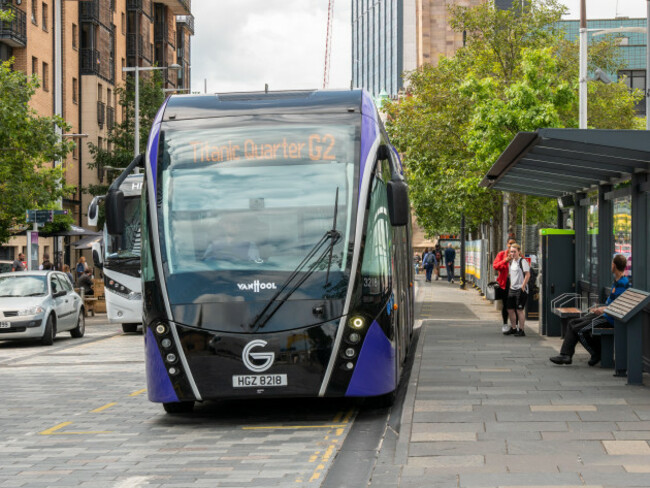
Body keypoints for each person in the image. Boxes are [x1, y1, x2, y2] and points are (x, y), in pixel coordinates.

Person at [550, 254, 630, 366]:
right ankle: (565, 355)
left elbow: (618, 307)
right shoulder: (617, 281)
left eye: (612, 263)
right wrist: (600, 308)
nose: (610, 265)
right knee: (572, 323)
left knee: (579, 329)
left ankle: (597, 353)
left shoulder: (622, 284)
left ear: (614, 265)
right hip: (605, 314)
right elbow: (612, 302)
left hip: (610, 318)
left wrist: (603, 309)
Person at [504, 243, 529, 337]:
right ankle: (514, 328)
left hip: (520, 289)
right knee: (510, 309)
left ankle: (522, 330)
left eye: (514, 251)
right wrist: (511, 285)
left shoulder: (522, 261)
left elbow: (527, 274)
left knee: (519, 310)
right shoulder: (512, 262)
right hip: (512, 289)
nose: (513, 253)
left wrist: (523, 286)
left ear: (519, 252)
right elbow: (511, 275)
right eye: (511, 251)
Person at [494, 238, 517, 331]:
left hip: (516, 283)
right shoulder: (502, 254)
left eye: (514, 243)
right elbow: (495, 266)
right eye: (510, 243)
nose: (511, 245)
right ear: (507, 244)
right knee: (506, 304)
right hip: (505, 283)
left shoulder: (519, 255)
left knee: (515, 305)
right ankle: (505, 323)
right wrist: (505, 260)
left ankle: (515, 325)